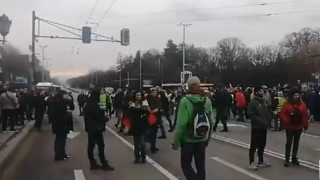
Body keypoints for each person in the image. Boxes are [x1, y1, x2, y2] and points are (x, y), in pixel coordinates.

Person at [172, 76, 214, 180]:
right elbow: (211, 122)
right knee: (201, 166)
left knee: (186, 165)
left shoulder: (185, 101)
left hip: (188, 140)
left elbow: (181, 124)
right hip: (202, 139)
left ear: (189, 86)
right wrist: (208, 139)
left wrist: (176, 142)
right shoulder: (206, 100)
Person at [84, 89, 114, 171]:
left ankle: (92, 163)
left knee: (91, 146)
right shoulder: (94, 104)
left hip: (90, 128)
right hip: (96, 128)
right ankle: (104, 164)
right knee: (101, 146)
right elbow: (98, 116)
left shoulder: (88, 103)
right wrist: (106, 119)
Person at [280, 89, 309, 167]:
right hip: (290, 127)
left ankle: (294, 157)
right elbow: (282, 114)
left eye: (298, 95)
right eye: (295, 95)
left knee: (296, 143)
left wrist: (306, 125)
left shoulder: (302, 104)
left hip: (299, 127)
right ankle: (287, 159)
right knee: (289, 143)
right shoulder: (287, 104)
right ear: (291, 96)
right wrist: (288, 120)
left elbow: (305, 116)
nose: (297, 96)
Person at [247, 86, 272, 170]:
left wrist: (268, 118)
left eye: (262, 91)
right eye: (260, 91)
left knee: (262, 144)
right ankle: (251, 162)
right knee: (254, 145)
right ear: (256, 92)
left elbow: (266, 112)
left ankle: (260, 161)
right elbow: (250, 114)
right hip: (256, 127)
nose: (262, 92)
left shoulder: (263, 101)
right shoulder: (253, 102)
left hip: (263, 127)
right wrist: (259, 120)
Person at [51, 90, 74, 161]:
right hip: (61, 123)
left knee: (62, 139)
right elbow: (71, 106)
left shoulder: (55, 102)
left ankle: (62, 153)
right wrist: (70, 99)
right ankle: (58, 155)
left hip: (59, 123)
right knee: (60, 139)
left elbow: (71, 108)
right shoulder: (60, 103)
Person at [129, 91, 149, 164]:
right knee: (136, 143)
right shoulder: (132, 103)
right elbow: (131, 112)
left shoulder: (144, 102)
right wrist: (139, 109)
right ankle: (137, 157)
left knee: (142, 143)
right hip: (135, 126)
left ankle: (143, 157)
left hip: (143, 125)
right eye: (137, 95)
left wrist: (140, 109)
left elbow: (146, 112)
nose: (138, 96)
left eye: (140, 95)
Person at [147, 88, 161, 153]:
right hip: (149, 117)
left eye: (155, 92)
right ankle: (148, 144)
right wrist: (151, 110)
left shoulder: (158, 99)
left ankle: (153, 146)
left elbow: (160, 107)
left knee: (154, 133)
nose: (154, 93)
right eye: (153, 92)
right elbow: (147, 106)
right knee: (149, 131)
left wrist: (158, 109)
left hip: (156, 117)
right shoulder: (148, 99)